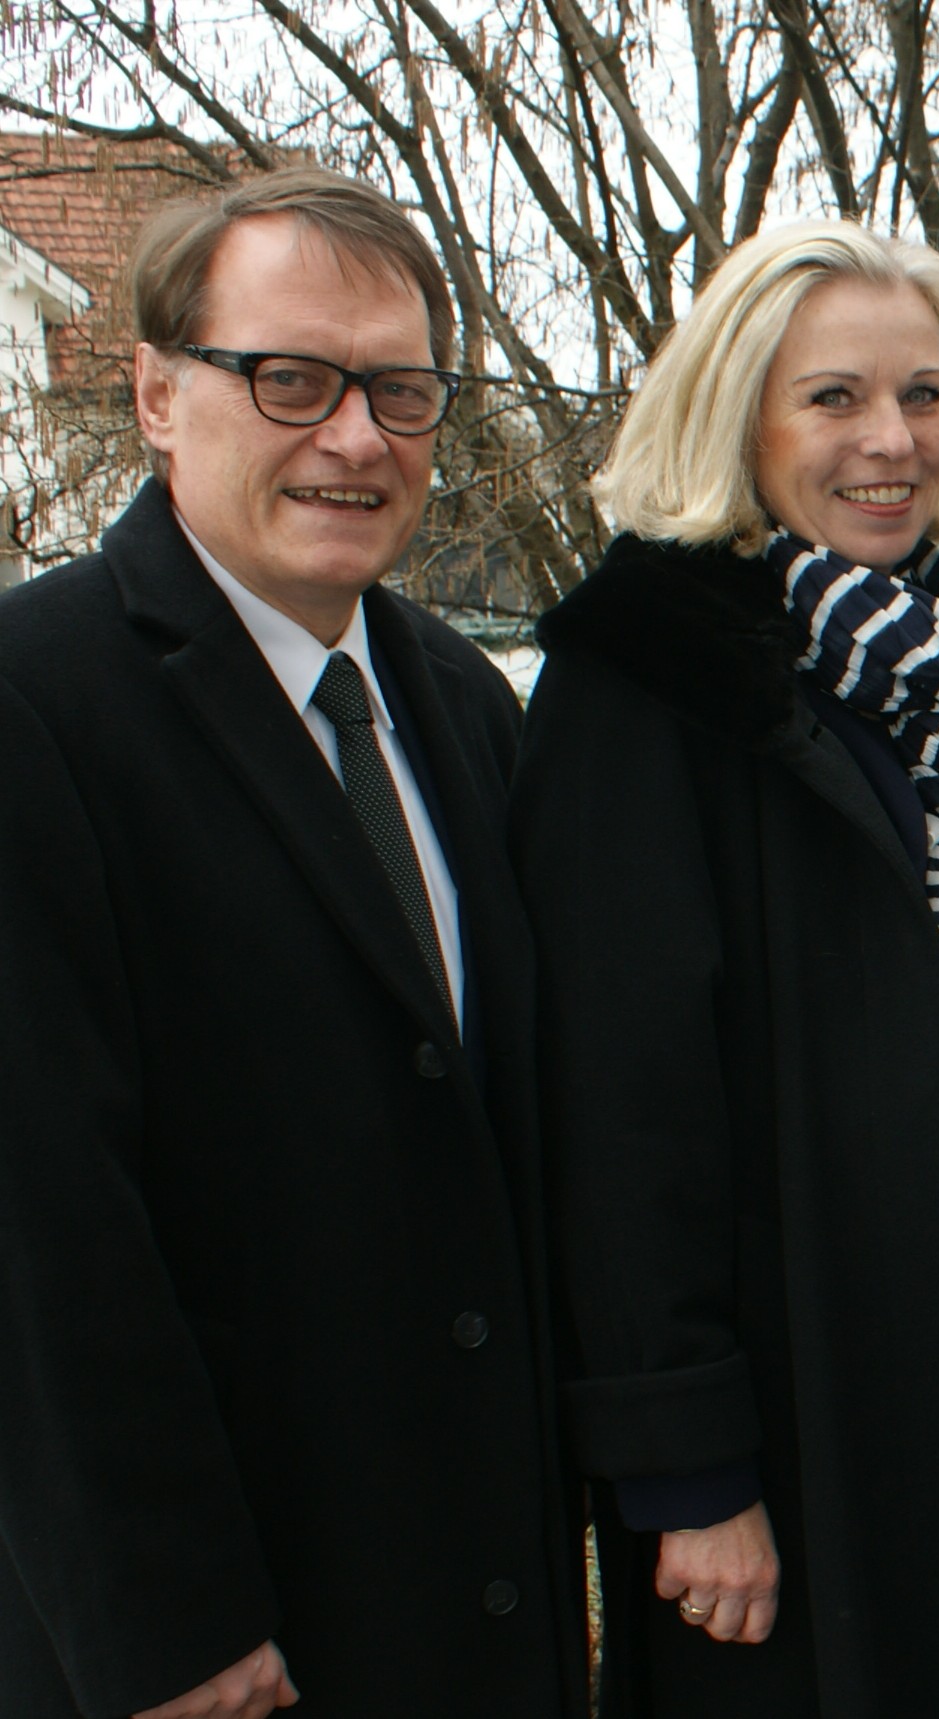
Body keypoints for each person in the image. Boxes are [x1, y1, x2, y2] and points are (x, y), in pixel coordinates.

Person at [0, 168, 583, 1719]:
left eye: (400, 389)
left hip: (467, 1600)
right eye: (290, 379)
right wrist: (165, 1621)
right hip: (219, 1637)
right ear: (155, 394)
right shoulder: (35, 702)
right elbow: (38, 1222)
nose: (356, 436)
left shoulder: (462, 704)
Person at [509, 222, 939, 1715]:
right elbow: (617, 1106)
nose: (894, 440)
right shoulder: (645, 676)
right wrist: (688, 1468)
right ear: (735, 414)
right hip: (789, 1419)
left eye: (924, 394)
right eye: (834, 398)